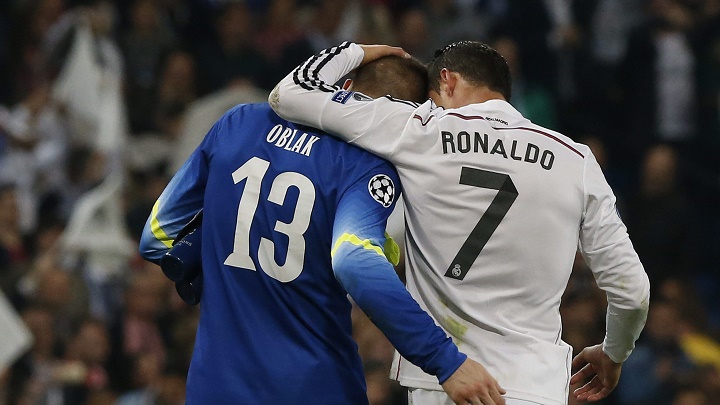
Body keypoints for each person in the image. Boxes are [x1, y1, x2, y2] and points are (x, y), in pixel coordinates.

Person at [270, 41, 651, 405]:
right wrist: (614, 352)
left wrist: (358, 51)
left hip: (446, 379)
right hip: (535, 385)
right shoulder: (576, 160)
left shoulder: (419, 128)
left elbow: (289, 94)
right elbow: (632, 291)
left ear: (448, 81)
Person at [139, 55, 506, 405]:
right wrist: (446, 362)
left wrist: (229, 266)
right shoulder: (366, 166)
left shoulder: (237, 123)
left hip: (214, 387)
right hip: (314, 386)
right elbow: (355, 261)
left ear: (343, 85)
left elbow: (156, 237)